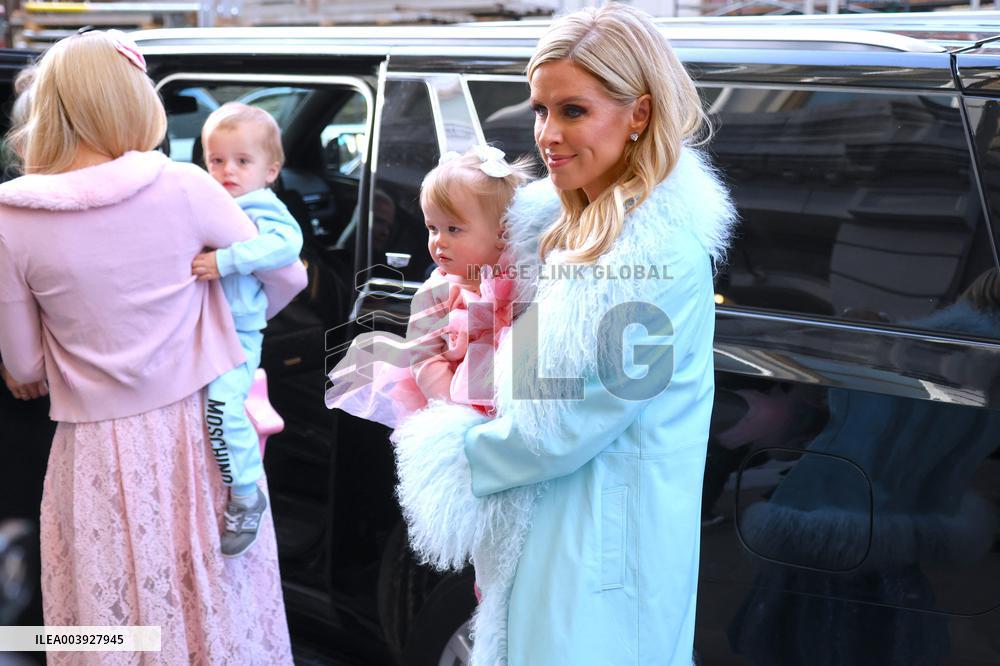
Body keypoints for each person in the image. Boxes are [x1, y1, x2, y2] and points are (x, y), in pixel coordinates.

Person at [391, 4, 737, 665]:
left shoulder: (657, 254)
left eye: (572, 110)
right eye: (541, 110)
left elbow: (572, 422)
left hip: (603, 545)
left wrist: (452, 454)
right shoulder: (560, 229)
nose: (548, 133)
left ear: (638, 113)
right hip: (553, 529)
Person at [0, 30, 305, 664]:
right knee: (214, 608)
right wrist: (228, 329)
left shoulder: (11, 218)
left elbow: (25, 366)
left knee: (110, 620)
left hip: (93, 448)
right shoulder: (186, 186)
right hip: (200, 434)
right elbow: (286, 274)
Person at [325, 146, 531, 428]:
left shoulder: (523, 281)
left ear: (502, 232)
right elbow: (425, 358)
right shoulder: (436, 292)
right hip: (457, 411)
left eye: (453, 229)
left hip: (516, 412)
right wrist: (453, 414)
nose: (438, 241)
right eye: (432, 228)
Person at [191, 103, 304, 558]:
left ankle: (244, 493)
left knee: (222, 409)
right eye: (217, 160)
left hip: (237, 335)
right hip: (205, 331)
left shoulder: (262, 206)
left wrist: (225, 260)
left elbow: (286, 246)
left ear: (270, 170)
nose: (227, 171)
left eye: (242, 161)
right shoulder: (211, 203)